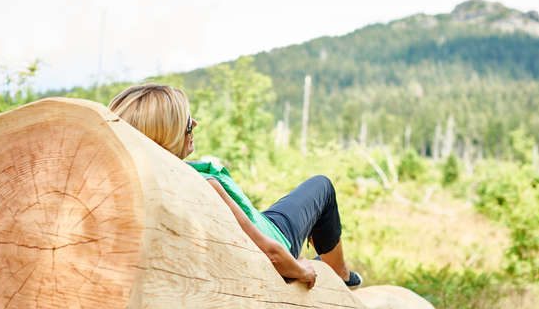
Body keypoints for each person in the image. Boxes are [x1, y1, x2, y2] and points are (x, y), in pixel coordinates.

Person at [108, 83, 362, 290]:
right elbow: (271, 254)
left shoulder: (151, 178)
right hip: (276, 238)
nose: (194, 124)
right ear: (166, 134)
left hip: (257, 222)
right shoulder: (203, 186)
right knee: (322, 186)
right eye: (186, 123)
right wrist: (302, 269)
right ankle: (339, 273)